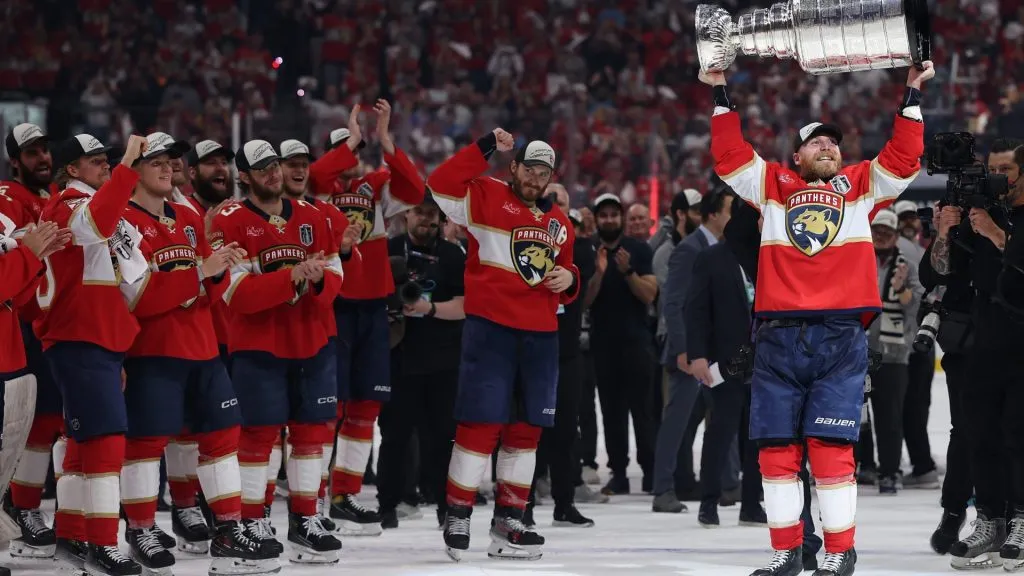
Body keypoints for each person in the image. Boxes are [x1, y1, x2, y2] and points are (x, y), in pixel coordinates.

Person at [703, 58, 933, 576]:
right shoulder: (771, 186)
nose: (828, 147)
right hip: (778, 339)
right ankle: (787, 552)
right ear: (798, 155)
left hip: (838, 337)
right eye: (816, 142)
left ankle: (838, 551)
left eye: (833, 142)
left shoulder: (860, 186)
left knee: (831, 449)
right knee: (776, 453)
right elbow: (729, 155)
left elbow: (903, 157)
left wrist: (912, 96)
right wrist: (719, 90)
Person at [117, 132, 279, 574]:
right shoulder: (122, 222)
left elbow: (208, 271)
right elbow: (138, 297)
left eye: (172, 161)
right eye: (157, 162)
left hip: (203, 345)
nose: (169, 168)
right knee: (146, 444)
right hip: (153, 350)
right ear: (134, 170)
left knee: (223, 433)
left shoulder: (187, 214)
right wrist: (200, 273)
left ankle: (227, 530)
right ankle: (141, 530)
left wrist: (221, 264)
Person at [428, 129, 578, 561]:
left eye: (544, 172)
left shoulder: (559, 224)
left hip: (541, 337)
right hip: (491, 330)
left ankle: (510, 521)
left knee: (527, 430)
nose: (536, 177)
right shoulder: (485, 194)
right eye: (530, 168)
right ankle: (458, 512)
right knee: (479, 423)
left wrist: (570, 280)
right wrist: (484, 146)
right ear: (514, 167)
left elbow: (567, 275)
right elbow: (439, 182)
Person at [210, 139, 343, 563]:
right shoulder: (228, 220)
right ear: (244, 175)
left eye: (275, 165)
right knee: (258, 436)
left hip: (312, 338)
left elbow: (336, 274)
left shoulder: (313, 216)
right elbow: (234, 293)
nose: (272, 173)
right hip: (259, 346)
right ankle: (252, 519)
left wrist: (318, 279)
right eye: (261, 168)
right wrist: (291, 278)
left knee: (310, 434)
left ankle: (305, 519)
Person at [307, 101, 426, 536]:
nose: (349, 158)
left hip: (373, 305)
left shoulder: (374, 189)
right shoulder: (314, 194)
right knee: (327, 408)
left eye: (353, 152)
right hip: (334, 304)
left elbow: (414, 189)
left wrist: (388, 142)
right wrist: (353, 139)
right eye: (342, 151)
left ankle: (345, 495)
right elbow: (318, 175)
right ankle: (314, 498)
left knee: (364, 407)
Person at [38, 133, 149, 576]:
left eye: (108, 159)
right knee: (105, 440)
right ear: (71, 170)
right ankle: (103, 544)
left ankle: (71, 537)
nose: (106, 166)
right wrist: (126, 167)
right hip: (80, 338)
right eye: (96, 160)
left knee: (84, 442)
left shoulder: (93, 203)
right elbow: (98, 224)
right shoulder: (66, 205)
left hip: (97, 338)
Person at [931, 142, 1024, 571]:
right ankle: (991, 520)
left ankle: (1022, 520)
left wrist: (994, 233)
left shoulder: (996, 221)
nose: (997, 177)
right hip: (984, 341)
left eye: (1006, 169)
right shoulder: (979, 214)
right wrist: (944, 233)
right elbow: (943, 272)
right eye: (993, 169)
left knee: (1018, 435)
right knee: (979, 434)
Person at [378, 193, 466, 529]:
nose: (426, 220)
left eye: (433, 214)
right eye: (419, 213)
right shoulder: (389, 249)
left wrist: (428, 309)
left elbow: (465, 305)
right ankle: (387, 505)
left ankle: (446, 506)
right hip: (398, 356)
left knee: (443, 437)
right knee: (394, 436)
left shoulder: (452, 254)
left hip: (443, 360)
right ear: (406, 214)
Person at [2, 123, 67, 561]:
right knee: (35, 422)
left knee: (48, 420)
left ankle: (30, 504)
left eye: (45, 150)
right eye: (31, 153)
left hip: (53, 315)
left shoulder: (54, 196)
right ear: (14, 162)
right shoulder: (8, 197)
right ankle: (20, 505)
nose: (42, 158)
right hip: (22, 321)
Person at [523, 183, 603, 529]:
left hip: (567, 351)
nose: (554, 206)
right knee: (527, 430)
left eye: (562, 202)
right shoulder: (523, 242)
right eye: (549, 200)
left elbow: (578, 270)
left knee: (567, 430)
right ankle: (521, 504)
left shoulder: (581, 248)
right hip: (532, 348)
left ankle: (564, 501)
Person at [684, 196, 766, 527]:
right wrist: (698, 356)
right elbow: (695, 309)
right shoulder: (711, 258)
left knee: (758, 436)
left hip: (764, 362)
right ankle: (709, 501)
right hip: (725, 361)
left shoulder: (768, 257)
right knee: (720, 432)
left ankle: (752, 503)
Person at [653, 189, 733, 513]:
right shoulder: (689, 249)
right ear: (712, 215)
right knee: (677, 422)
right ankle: (662, 490)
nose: (733, 218)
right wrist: (683, 349)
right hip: (689, 352)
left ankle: (729, 484)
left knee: (725, 414)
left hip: (714, 350)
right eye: (729, 211)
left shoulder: (721, 249)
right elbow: (672, 304)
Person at [585, 193, 659, 495]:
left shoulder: (639, 250)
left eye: (614, 214)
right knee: (611, 412)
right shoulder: (589, 251)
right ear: (597, 220)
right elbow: (583, 302)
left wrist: (628, 271)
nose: (609, 220)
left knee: (643, 412)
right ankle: (618, 473)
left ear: (621, 218)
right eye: (603, 215)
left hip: (637, 344)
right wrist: (599, 273)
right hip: (602, 346)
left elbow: (650, 295)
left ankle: (652, 471)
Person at [861, 209, 923, 495]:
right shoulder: (857, 259)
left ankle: (890, 471)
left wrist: (901, 290)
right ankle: (863, 465)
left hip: (894, 353)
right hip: (858, 352)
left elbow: (918, 307)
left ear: (896, 235)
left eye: (887, 232)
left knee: (890, 418)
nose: (881, 237)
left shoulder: (908, 264)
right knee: (857, 416)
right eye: (877, 231)